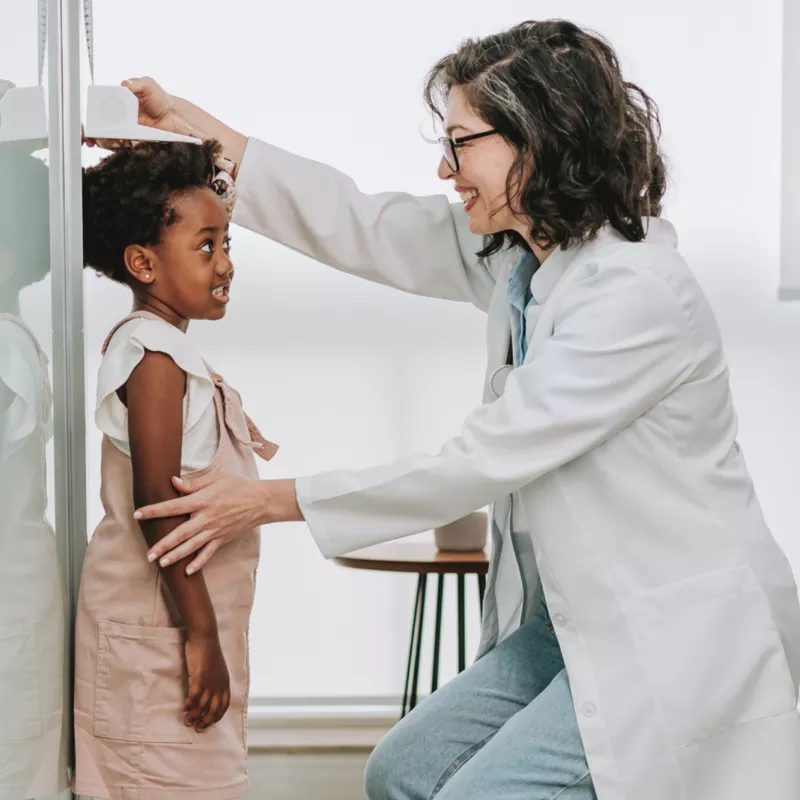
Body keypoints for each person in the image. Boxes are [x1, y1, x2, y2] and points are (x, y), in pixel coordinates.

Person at [111, 19, 800, 800]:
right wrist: (195, 134)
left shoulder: (636, 296)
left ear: (535, 142)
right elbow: (360, 223)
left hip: (675, 639)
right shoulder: (523, 255)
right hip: (570, 625)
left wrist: (268, 501)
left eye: (462, 142)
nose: (445, 167)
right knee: (402, 772)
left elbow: (480, 459)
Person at [73, 140, 278, 799]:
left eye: (227, 245)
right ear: (144, 263)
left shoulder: (165, 349)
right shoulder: (153, 356)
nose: (227, 265)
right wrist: (200, 634)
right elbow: (159, 501)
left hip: (171, 625)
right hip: (160, 635)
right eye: (207, 245)